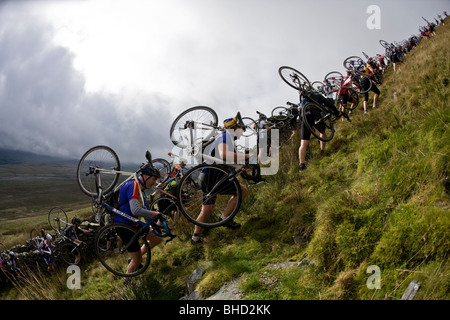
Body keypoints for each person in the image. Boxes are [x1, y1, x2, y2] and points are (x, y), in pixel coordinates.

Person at [191, 112, 250, 244]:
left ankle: (195, 237)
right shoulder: (225, 136)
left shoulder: (226, 138)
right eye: (242, 129)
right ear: (234, 127)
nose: (243, 132)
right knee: (242, 191)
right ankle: (224, 219)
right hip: (212, 178)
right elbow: (225, 155)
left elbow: (228, 161)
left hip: (206, 177)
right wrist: (248, 156)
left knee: (206, 210)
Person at [114, 165, 164, 274]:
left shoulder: (141, 188)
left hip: (134, 223)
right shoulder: (134, 185)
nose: (155, 182)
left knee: (157, 238)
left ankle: (134, 259)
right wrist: (154, 213)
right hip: (124, 226)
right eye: (154, 179)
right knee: (138, 260)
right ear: (145, 176)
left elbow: (143, 209)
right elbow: (135, 210)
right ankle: (128, 282)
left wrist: (153, 224)